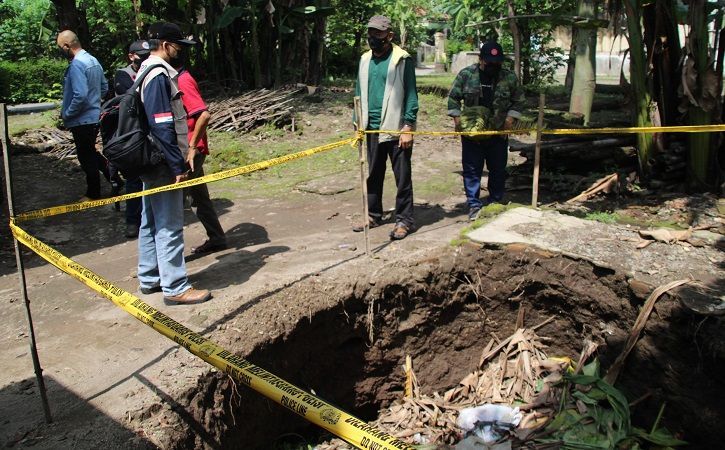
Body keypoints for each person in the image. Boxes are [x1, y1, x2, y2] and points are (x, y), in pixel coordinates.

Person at [136, 22, 211, 304]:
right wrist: (177, 165)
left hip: (151, 158)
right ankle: (176, 287)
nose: (180, 52)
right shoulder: (158, 75)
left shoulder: (144, 71)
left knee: (150, 219)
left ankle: (150, 277)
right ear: (166, 45)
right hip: (162, 160)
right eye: (178, 46)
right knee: (169, 222)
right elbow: (162, 125)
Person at [352, 15, 418, 240]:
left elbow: (411, 93)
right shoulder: (364, 60)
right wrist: (357, 121)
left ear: (389, 35)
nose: (373, 38)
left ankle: (404, 220)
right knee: (373, 173)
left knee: (402, 176)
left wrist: (408, 125)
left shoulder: (402, 59)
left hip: (396, 127)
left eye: (378, 34)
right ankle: (373, 214)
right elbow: (358, 92)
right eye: (371, 33)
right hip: (370, 127)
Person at [447, 41, 525, 221]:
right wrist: (458, 121)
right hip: (473, 135)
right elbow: (453, 98)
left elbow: (519, 100)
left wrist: (510, 119)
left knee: (497, 169)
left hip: (498, 133)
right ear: (481, 60)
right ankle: (474, 204)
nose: (494, 66)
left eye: (497, 62)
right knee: (472, 170)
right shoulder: (467, 75)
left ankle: (495, 202)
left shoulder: (508, 77)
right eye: (490, 62)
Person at [175, 64, 228, 254]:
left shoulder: (182, 80)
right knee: (199, 197)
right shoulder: (174, 78)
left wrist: (192, 146)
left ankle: (171, 262)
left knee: (174, 205)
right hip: (190, 151)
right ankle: (217, 237)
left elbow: (204, 115)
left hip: (190, 153)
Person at [56, 30, 111, 201]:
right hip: (93, 116)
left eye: (60, 47)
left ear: (67, 46)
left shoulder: (77, 65)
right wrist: (96, 103)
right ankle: (114, 177)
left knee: (85, 156)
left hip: (81, 119)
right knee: (91, 152)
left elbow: (80, 95)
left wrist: (67, 113)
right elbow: (104, 87)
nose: (60, 50)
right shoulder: (92, 60)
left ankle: (93, 193)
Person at [113, 40, 151, 238]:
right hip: (131, 134)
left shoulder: (153, 70)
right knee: (134, 179)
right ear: (131, 56)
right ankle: (132, 220)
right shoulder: (123, 75)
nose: (144, 59)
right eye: (140, 55)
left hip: (151, 132)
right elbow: (132, 96)